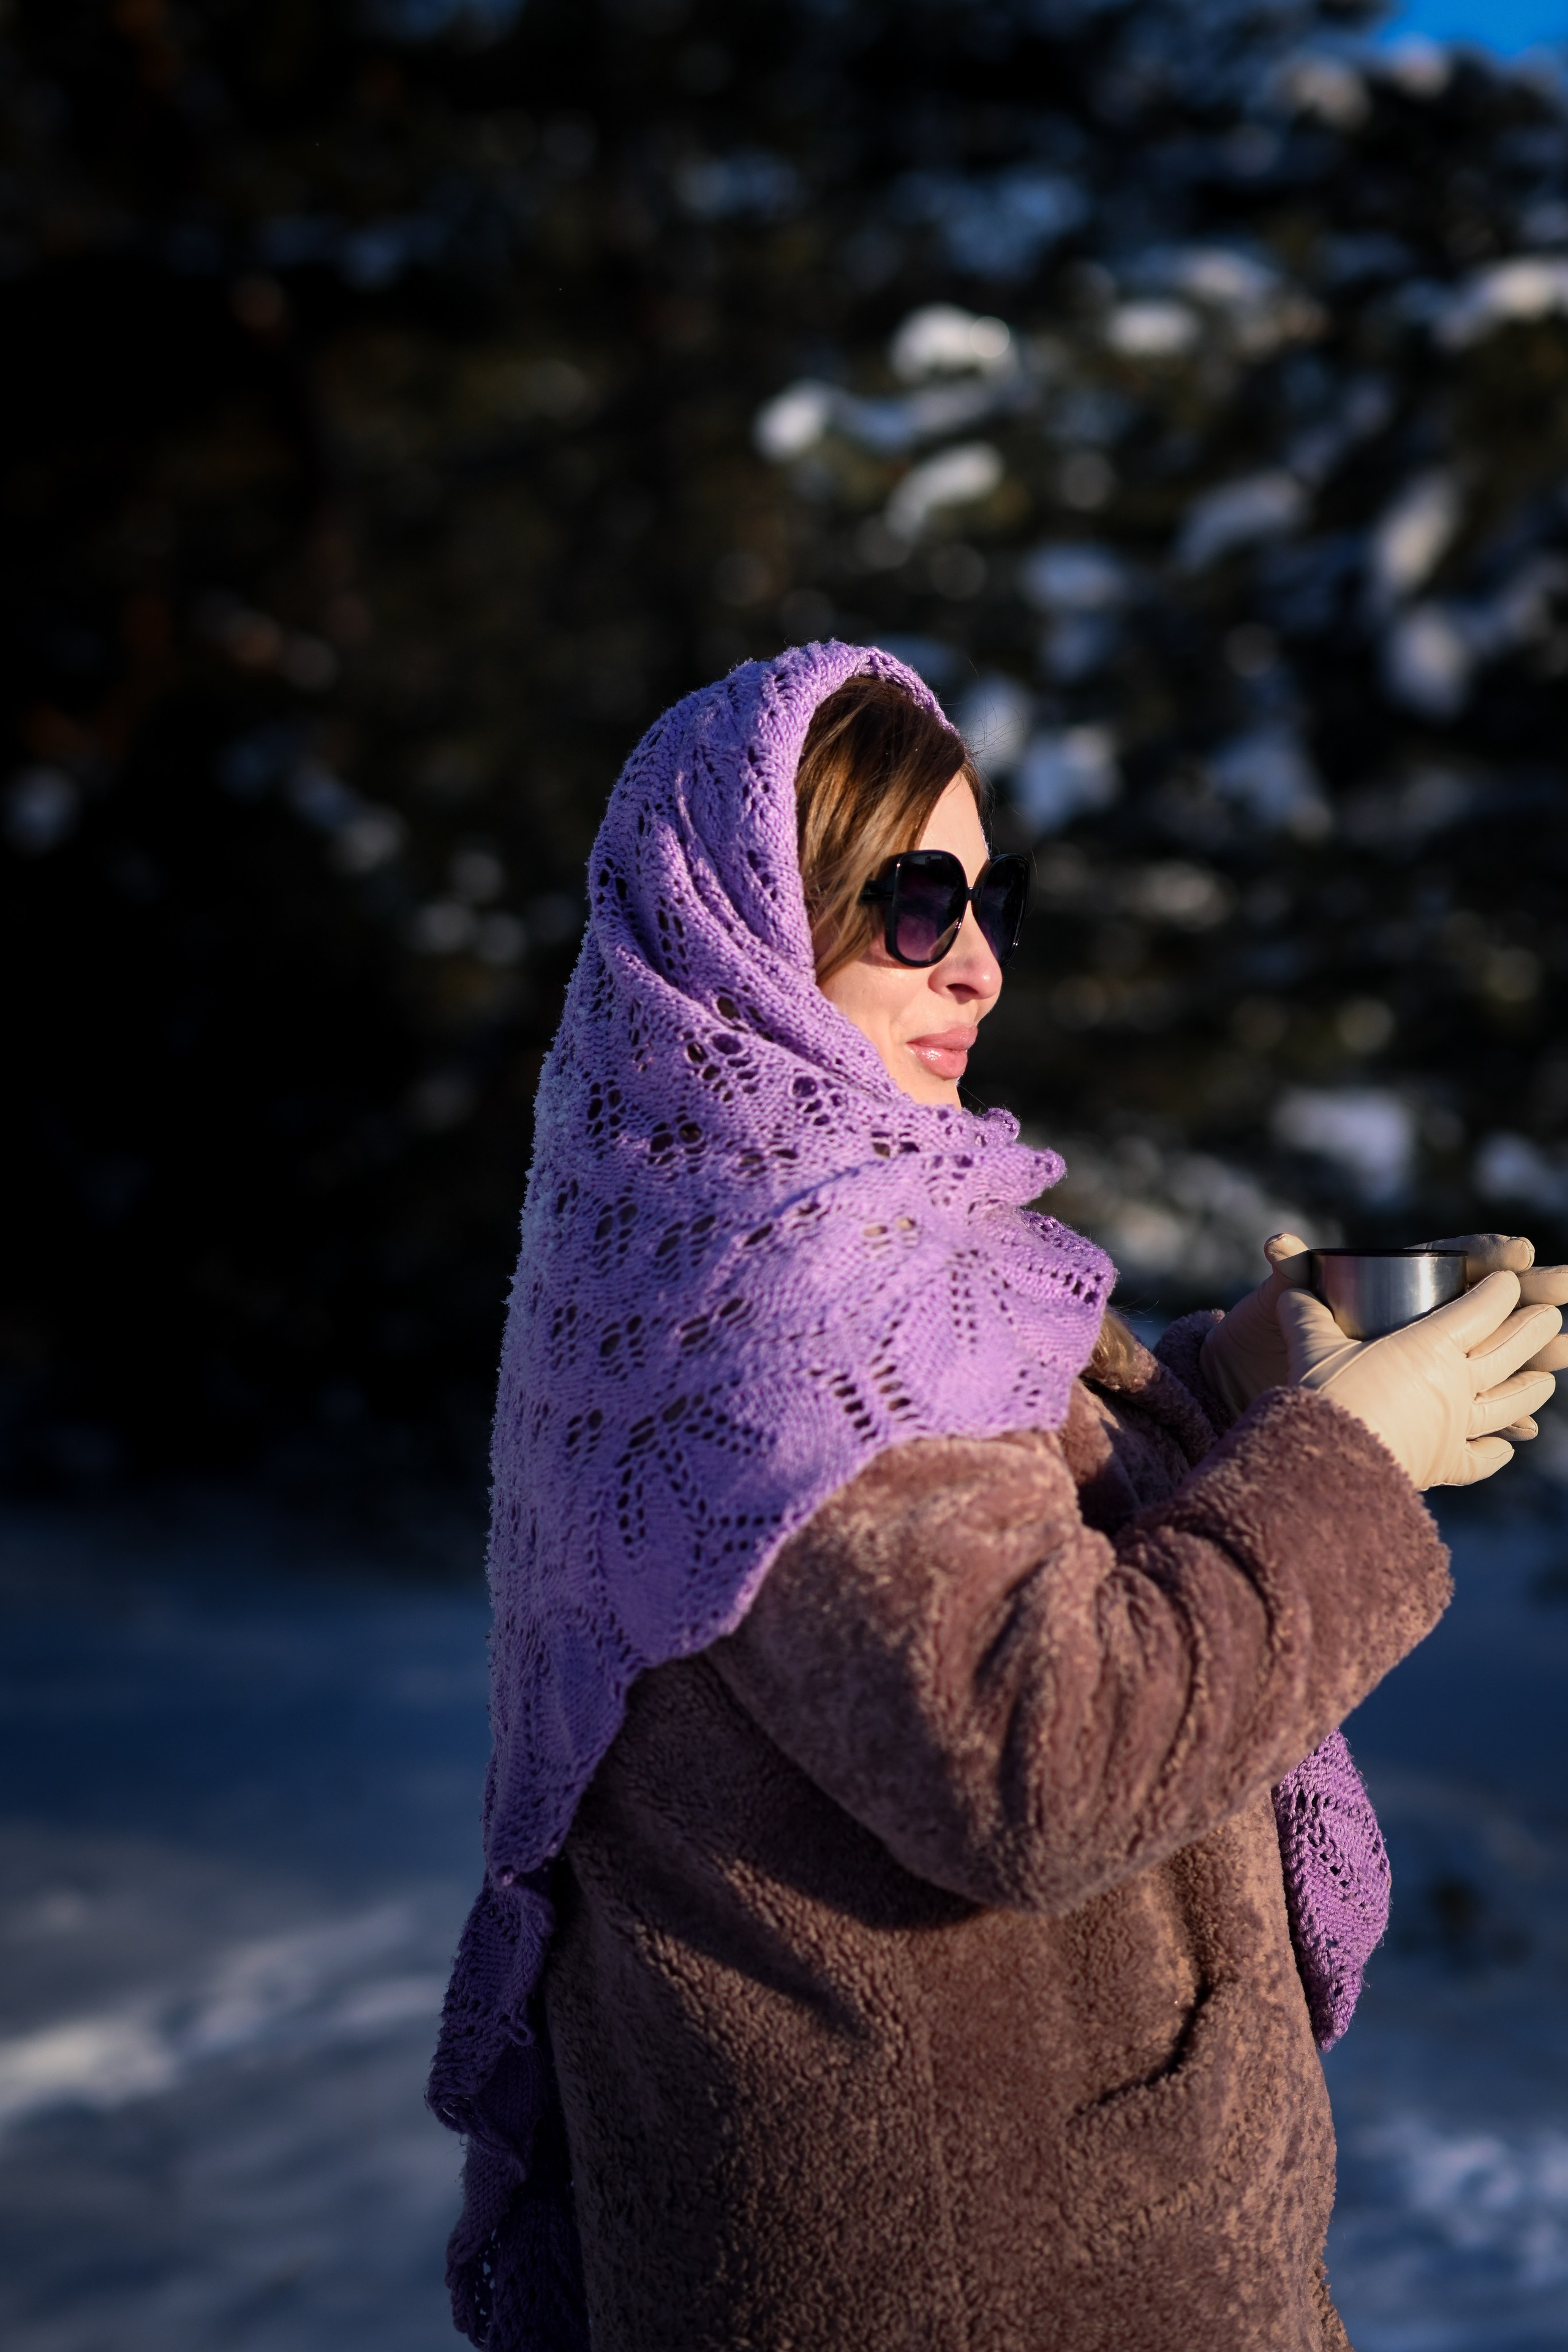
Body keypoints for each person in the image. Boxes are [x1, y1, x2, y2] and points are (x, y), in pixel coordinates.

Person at [429, 641, 1567, 2352]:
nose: (975, 963)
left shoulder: (703, 1239)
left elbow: (979, 1539)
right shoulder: (802, 1298)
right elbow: (1047, 1761)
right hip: (987, 2277)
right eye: (913, 904)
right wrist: (1350, 1463)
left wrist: (1228, 1395)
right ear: (752, 924)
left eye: (992, 901)